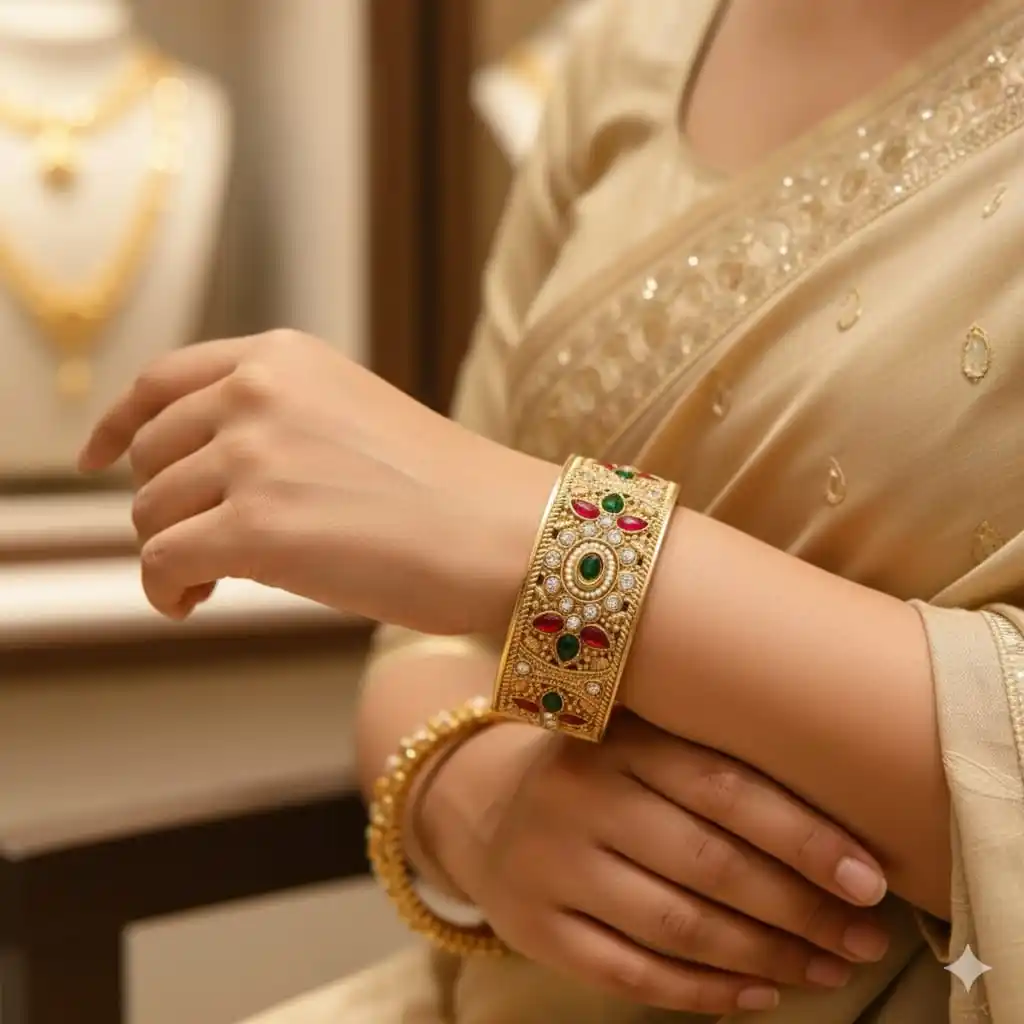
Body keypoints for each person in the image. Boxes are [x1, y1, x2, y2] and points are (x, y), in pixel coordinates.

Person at [79, 0, 1024, 1019]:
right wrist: (474, 801)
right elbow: (432, 638)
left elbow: (483, 537)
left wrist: (553, 540)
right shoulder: (635, 46)